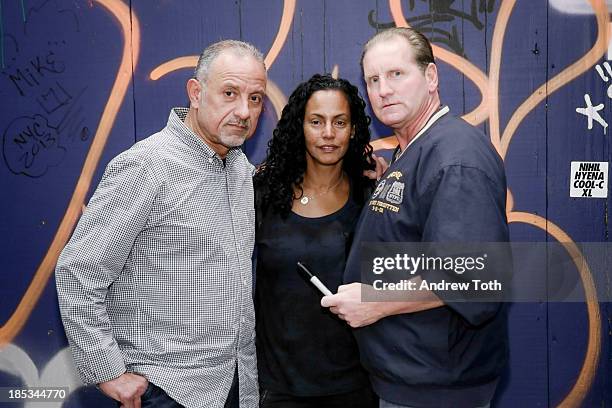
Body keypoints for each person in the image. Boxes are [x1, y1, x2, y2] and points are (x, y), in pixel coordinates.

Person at [55, 40, 267, 408]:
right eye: (230, 93)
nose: (243, 111)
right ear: (196, 93)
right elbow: (78, 271)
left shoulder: (239, 171)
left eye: (255, 98)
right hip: (168, 390)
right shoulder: (146, 167)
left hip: (237, 382)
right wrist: (108, 371)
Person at [321, 28, 510, 408]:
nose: (383, 90)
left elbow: (475, 276)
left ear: (430, 77)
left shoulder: (455, 157)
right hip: (411, 380)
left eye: (396, 74)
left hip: (437, 389)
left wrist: (375, 300)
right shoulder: (415, 149)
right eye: (373, 79)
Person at [253, 74, 378, 408]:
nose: (328, 134)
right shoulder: (261, 195)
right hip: (279, 389)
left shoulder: (372, 196)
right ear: (300, 127)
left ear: (353, 129)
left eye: (339, 122)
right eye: (316, 121)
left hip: (355, 387)